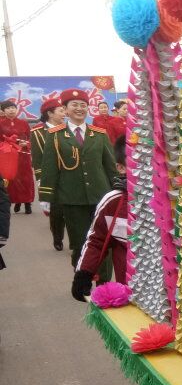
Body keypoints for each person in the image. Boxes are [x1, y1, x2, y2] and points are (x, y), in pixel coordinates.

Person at [39, 88, 119, 279]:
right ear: (65, 109)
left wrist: (117, 190)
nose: (79, 108)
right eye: (74, 105)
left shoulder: (99, 134)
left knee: (104, 241)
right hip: (71, 198)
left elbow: (110, 166)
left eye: (83, 105)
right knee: (79, 242)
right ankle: (82, 279)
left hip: (101, 197)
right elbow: (50, 167)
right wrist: (46, 197)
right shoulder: (56, 135)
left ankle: (104, 283)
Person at [71, 135, 129, 297]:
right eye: (137, 162)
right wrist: (84, 274)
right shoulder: (113, 202)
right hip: (130, 290)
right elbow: (96, 240)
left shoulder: (176, 201)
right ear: (121, 167)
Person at [31, 98, 67, 251]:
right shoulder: (38, 133)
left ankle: (75, 241)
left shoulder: (68, 129)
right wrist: (41, 180)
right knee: (57, 212)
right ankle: (57, 238)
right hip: (52, 178)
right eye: (61, 111)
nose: (64, 114)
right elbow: (37, 158)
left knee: (73, 211)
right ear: (50, 114)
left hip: (70, 176)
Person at [0, 99, 34, 214]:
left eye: (13, 108)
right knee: (11, 180)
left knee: (26, 179)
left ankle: (27, 203)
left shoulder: (24, 123)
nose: (11, 110)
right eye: (8, 108)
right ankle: (15, 201)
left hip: (23, 156)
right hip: (8, 156)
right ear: (3, 111)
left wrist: (26, 144)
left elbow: (30, 138)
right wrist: (8, 143)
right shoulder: (1, 124)